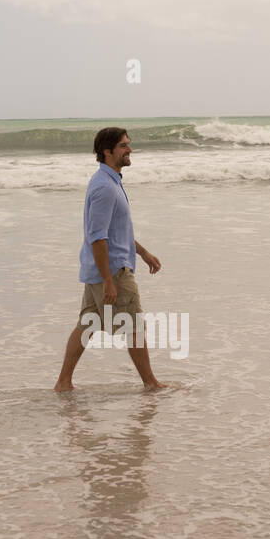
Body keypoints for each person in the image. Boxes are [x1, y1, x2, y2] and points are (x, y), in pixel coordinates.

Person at [54, 127, 166, 392]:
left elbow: (116, 233)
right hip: (113, 270)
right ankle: (151, 384)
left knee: (87, 324)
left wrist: (143, 252)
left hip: (103, 268)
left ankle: (63, 382)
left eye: (128, 145)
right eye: (124, 146)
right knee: (134, 326)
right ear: (108, 151)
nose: (129, 150)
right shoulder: (104, 187)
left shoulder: (110, 181)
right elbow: (98, 237)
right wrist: (108, 280)